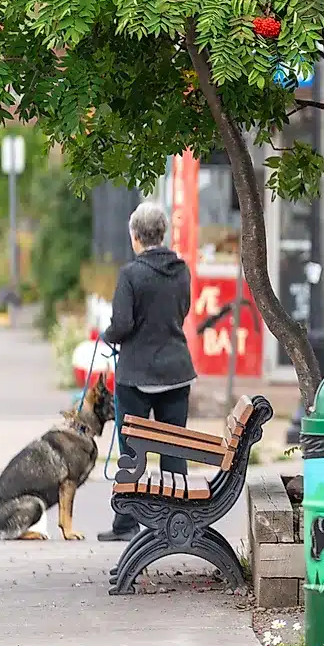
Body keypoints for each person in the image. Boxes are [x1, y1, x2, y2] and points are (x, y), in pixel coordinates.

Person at [97, 202, 197, 542]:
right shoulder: (181, 271)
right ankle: (175, 521)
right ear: (162, 233)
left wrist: (107, 335)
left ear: (135, 237)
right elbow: (182, 310)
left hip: (136, 375)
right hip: (176, 371)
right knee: (174, 448)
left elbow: (122, 324)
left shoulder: (130, 275)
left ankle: (126, 524)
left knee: (131, 451)